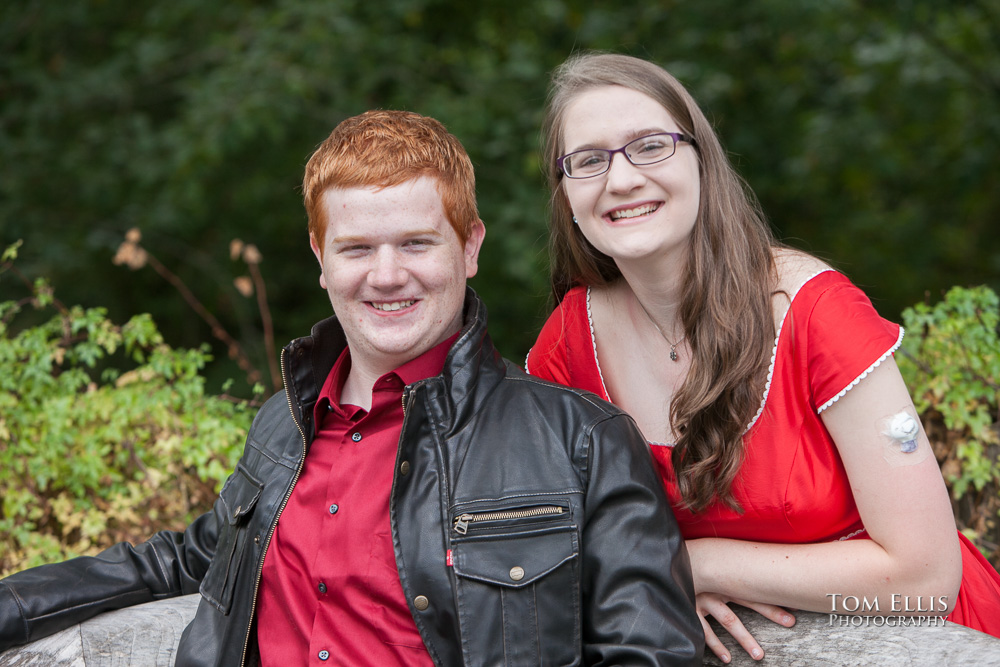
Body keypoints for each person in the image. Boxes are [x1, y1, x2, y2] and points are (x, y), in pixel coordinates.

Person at [0, 110, 703, 665]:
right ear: (321, 259)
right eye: (358, 248)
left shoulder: (579, 440)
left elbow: (655, 654)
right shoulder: (284, 427)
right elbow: (186, 558)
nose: (387, 274)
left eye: (416, 243)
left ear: (470, 246)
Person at [526, 52, 1000, 663]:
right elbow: (548, 545)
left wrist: (696, 563)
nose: (621, 180)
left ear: (702, 160)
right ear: (565, 193)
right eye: (588, 161)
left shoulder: (813, 310)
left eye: (650, 146)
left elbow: (925, 580)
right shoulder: (568, 341)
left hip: (921, 643)